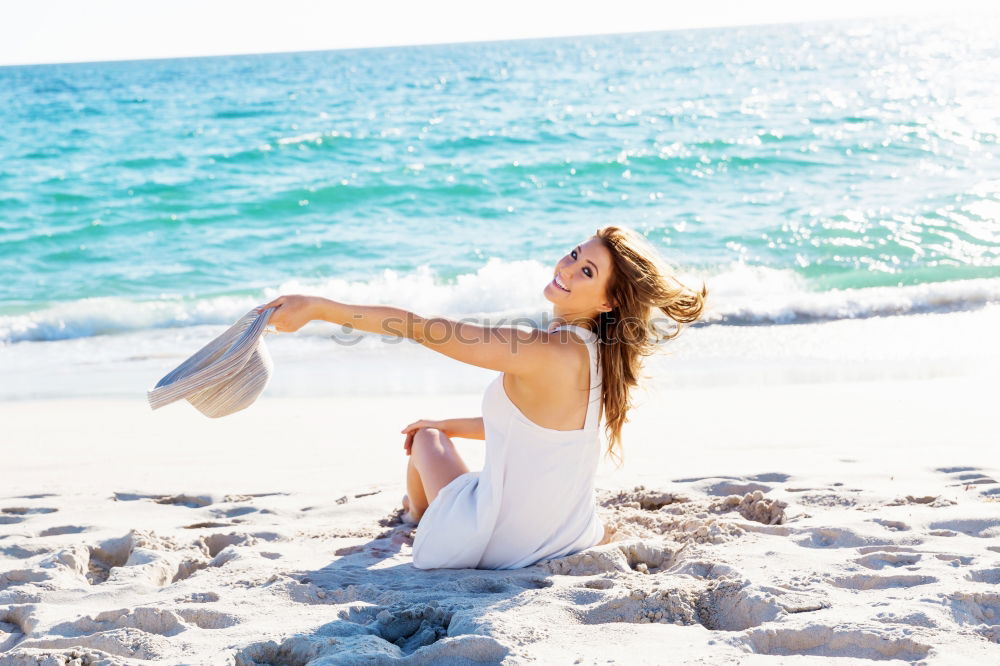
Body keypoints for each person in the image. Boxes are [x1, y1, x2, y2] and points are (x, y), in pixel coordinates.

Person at [255, 225, 708, 569]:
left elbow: (420, 326)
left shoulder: (540, 350)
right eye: (574, 254)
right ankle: (419, 509)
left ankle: (414, 517)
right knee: (437, 429)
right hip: (566, 533)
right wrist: (454, 424)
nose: (567, 267)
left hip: (495, 540)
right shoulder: (600, 357)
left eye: (586, 271)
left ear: (608, 302)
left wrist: (319, 308)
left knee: (425, 438)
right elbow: (537, 433)